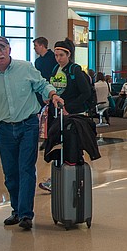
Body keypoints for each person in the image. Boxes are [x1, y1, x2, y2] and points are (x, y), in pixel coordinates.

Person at [0, 36, 62, 232]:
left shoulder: (25, 68)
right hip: (5, 128)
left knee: (26, 169)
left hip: (28, 125)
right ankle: (16, 209)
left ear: (9, 50)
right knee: (10, 174)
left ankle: (25, 214)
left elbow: (41, 84)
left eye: (2, 49)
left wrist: (53, 94)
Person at [39, 39, 93, 192]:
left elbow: (86, 93)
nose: (58, 58)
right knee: (58, 144)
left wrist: (69, 107)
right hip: (58, 114)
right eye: (56, 55)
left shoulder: (75, 70)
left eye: (61, 55)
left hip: (73, 115)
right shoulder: (55, 69)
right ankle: (59, 177)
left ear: (68, 55)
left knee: (71, 146)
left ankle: (71, 179)